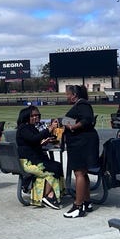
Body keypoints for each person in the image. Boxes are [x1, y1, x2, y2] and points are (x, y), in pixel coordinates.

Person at [15, 106, 64, 210]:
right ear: (26, 116)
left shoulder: (31, 127)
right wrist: (49, 129)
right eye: (33, 115)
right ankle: (46, 197)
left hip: (34, 158)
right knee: (54, 168)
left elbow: (33, 141)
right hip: (28, 162)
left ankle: (50, 194)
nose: (36, 117)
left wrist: (43, 142)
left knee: (56, 165)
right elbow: (34, 138)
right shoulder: (23, 128)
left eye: (37, 115)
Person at [62, 85, 99, 218]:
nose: (66, 97)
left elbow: (87, 119)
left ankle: (78, 206)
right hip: (80, 142)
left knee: (79, 173)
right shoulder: (79, 105)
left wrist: (72, 126)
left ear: (74, 95)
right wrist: (62, 121)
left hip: (82, 143)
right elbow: (76, 119)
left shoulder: (83, 104)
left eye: (68, 94)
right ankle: (87, 202)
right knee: (82, 173)